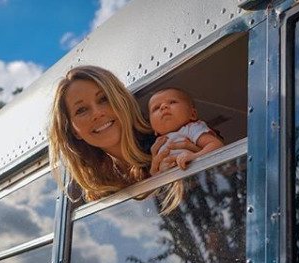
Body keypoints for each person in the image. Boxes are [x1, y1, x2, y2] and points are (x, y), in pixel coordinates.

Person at [48, 65, 198, 203]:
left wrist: (179, 173)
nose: (97, 113)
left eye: (103, 99)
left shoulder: (168, 141)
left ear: (122, 101)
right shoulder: (97, 190)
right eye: (81, 110)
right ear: (74, 131)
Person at [148, 87, 224, 171]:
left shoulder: (192, 128)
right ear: (153, 128)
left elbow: (216, 145)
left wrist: (195, 156)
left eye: (172, 102)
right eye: (156, 108)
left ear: (193, 114)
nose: (163, 106)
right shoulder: (158, 144)